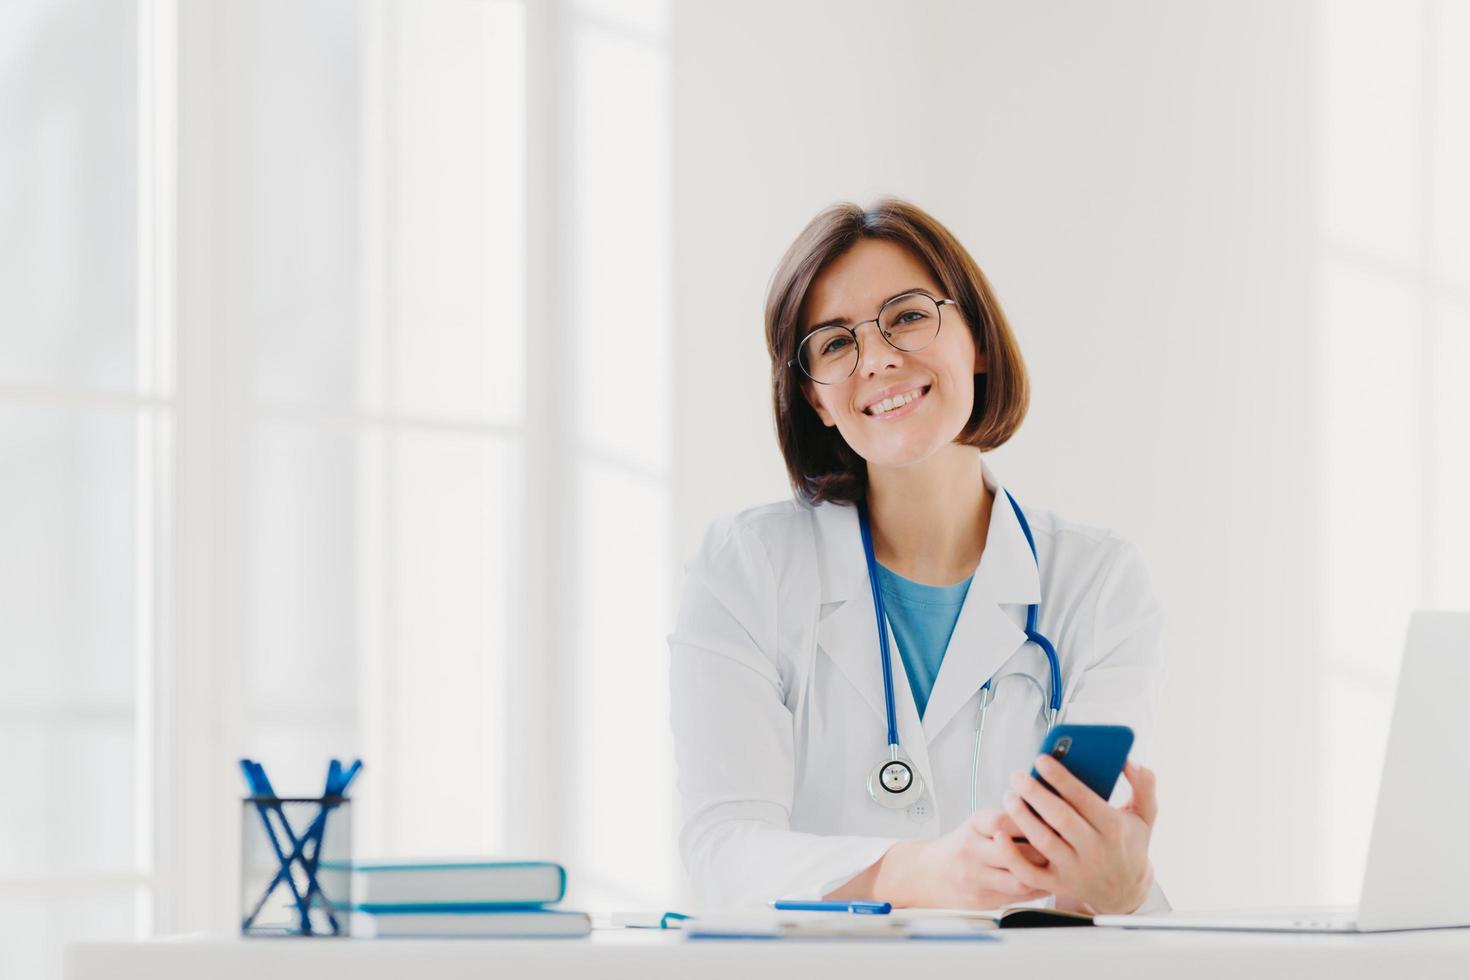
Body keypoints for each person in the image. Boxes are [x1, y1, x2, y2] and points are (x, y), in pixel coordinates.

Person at [668, 198, 1166, 914]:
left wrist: (1124, 889)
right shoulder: (745, 568)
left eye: (906, 315)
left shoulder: (1097, 582)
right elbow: (723, 852)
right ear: (815, 400)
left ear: (979, 341)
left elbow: (1097, 862)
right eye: (835, 343)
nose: (877, 358)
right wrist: (905, 875)